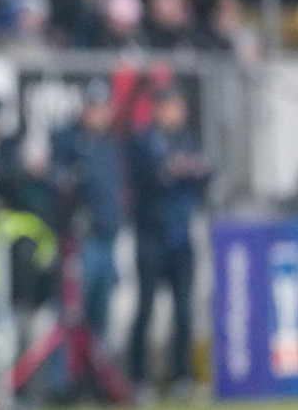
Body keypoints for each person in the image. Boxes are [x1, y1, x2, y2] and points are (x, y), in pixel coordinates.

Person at [128, 86, 209, 404]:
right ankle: (139, 379)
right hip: (151, 236)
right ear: (159, 109)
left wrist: (185, 171)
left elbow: (200, 175)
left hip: (181, 236)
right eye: (171, 106)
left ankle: (182, 377)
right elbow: (151, 177)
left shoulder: (187, 141)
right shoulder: (144, 140)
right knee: (146, 307)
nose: (176, 113)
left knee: (184, 310)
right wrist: (176, 171)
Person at [52, 80, 125, 340]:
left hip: (108, 236)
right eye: (93, 107)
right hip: (81, 239)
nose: (98, 114)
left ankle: (95, 375)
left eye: (103, 108)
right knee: (71, 310)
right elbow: (58, 180)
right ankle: (63, 377)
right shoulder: (69, 140)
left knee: (101, 311)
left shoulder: (111, 143)